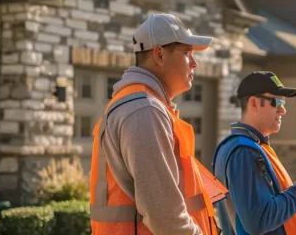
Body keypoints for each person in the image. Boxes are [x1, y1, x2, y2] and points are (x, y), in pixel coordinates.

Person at [89, 14, 226, 235]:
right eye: (187, 53)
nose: (195, 62)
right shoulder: (145, 111)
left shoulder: (145, 105)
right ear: (160, 55)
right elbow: (165, 217)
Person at [212, 71, 296, 235]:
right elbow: (259, 221)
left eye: (283, 104)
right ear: (254, 103)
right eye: (277, 102)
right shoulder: (244, 151)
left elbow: (266, 207)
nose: (283, 110)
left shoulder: (245, 145)